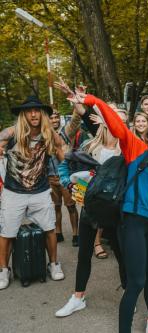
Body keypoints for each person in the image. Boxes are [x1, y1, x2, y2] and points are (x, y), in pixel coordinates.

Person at [70, 90, 148, 333]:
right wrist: (93, 101)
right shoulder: (138, 149)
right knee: (136, 281)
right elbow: (117, 126)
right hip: (133, 223)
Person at [55, 110, 124, 318]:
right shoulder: (89, 146)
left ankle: (128, 296)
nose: (116, 123)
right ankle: (78, 297)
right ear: (104, 122)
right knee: (84, 254)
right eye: (113, 119)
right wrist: (68, 183)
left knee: (122, 256)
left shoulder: (127, 151)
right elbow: (65, 164)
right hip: (90, 209)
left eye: (120, 120)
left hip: (115, 212)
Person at [0, 95, 66, 290]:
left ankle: (53, 264)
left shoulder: (49, 134)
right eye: (29, 110)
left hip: (40, 191)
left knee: (49, 229)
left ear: (43, 114)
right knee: (7, 232)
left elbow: (62, 152)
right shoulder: (12, 133)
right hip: (14, 192)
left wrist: (68, 173)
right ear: (24, 114)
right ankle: (4, 270)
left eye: (37, 110)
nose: (34, 113)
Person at [48, 109, 80, 247]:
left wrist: (77, 103)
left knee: (71, 206)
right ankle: (58, 232)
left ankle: (76, 234)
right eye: (51, 118)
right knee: (56, 207)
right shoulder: (44, 134)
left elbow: (76, 120)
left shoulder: (66, 132)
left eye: (56, 117)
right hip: (49, 177)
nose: (54, 120)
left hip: (66, 177)